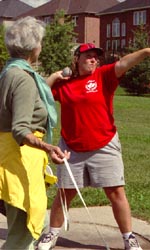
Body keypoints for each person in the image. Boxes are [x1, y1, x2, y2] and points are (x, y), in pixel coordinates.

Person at [38, 43, 150, 250]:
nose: (93, 60)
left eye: (95, 57)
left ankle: (129, 238)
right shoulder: (65, 83)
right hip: (71, 147)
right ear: (77, 59)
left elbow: (124, 63)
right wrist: (55, 76)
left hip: (104, 144)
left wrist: (144, 53)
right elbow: (41, 95)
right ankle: (52, 234)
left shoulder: (103, 75)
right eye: (88, 56)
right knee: (65, 193)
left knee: (116, 192)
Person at [0, 16, 70, 250]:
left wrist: (51, 80)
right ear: (34, 48)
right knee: (23, 237)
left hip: (10, 157)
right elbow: (21, 128)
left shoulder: (9, 72)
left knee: (18, 231)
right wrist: (48, 147)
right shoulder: (23, 79)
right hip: (21, 161)